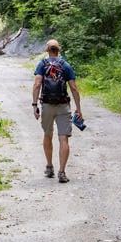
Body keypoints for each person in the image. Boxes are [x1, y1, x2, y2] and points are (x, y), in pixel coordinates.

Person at [32, 39, 83, 183]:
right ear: (58, 50)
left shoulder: (42, 64)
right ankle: (62, 172)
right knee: (63, 138)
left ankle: (49, 167)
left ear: (47, 50)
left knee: (47, 135)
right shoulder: (65, 65)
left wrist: (34, 105)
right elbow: (73, 88)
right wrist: (78, 109)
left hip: (47, 105)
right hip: (63, 105)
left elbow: (37, 85)